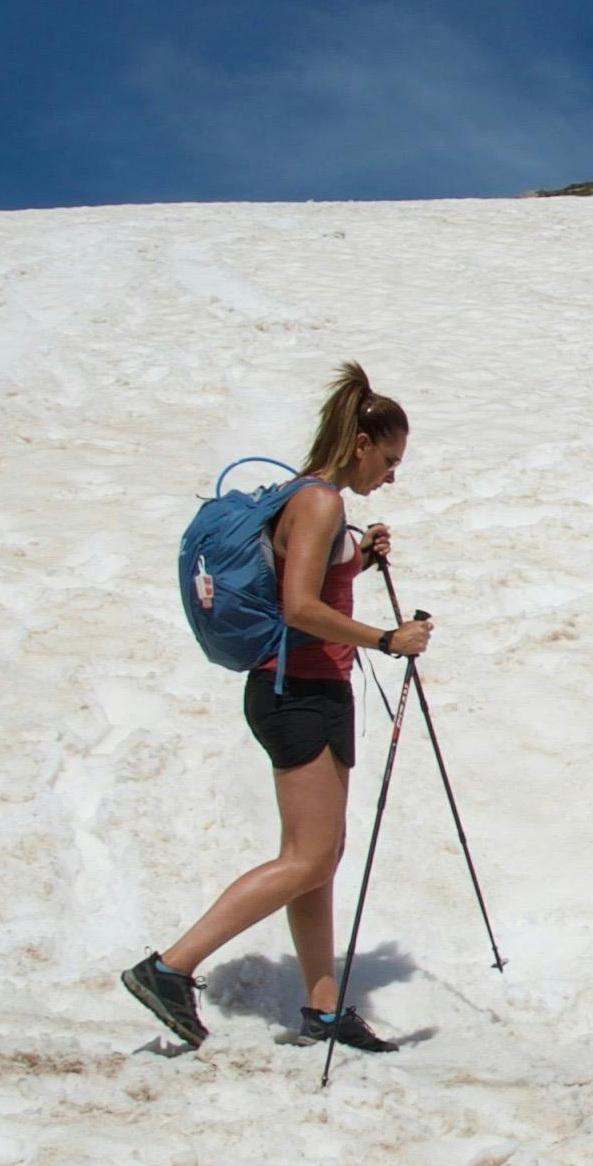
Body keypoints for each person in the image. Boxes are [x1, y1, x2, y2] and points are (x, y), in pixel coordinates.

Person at [123, 363, 434, 1051]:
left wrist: (358, 555)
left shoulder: (312, 500)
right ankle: (169, 967)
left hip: (308, 689)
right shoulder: (320, 502)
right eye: (388, 460)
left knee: (318, 855)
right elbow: (299, 606)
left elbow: (312, 577)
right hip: (297, 691)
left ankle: (323, 1009)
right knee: (308, 856)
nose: (390, 475)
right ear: (360, 443)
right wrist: (387, 639)